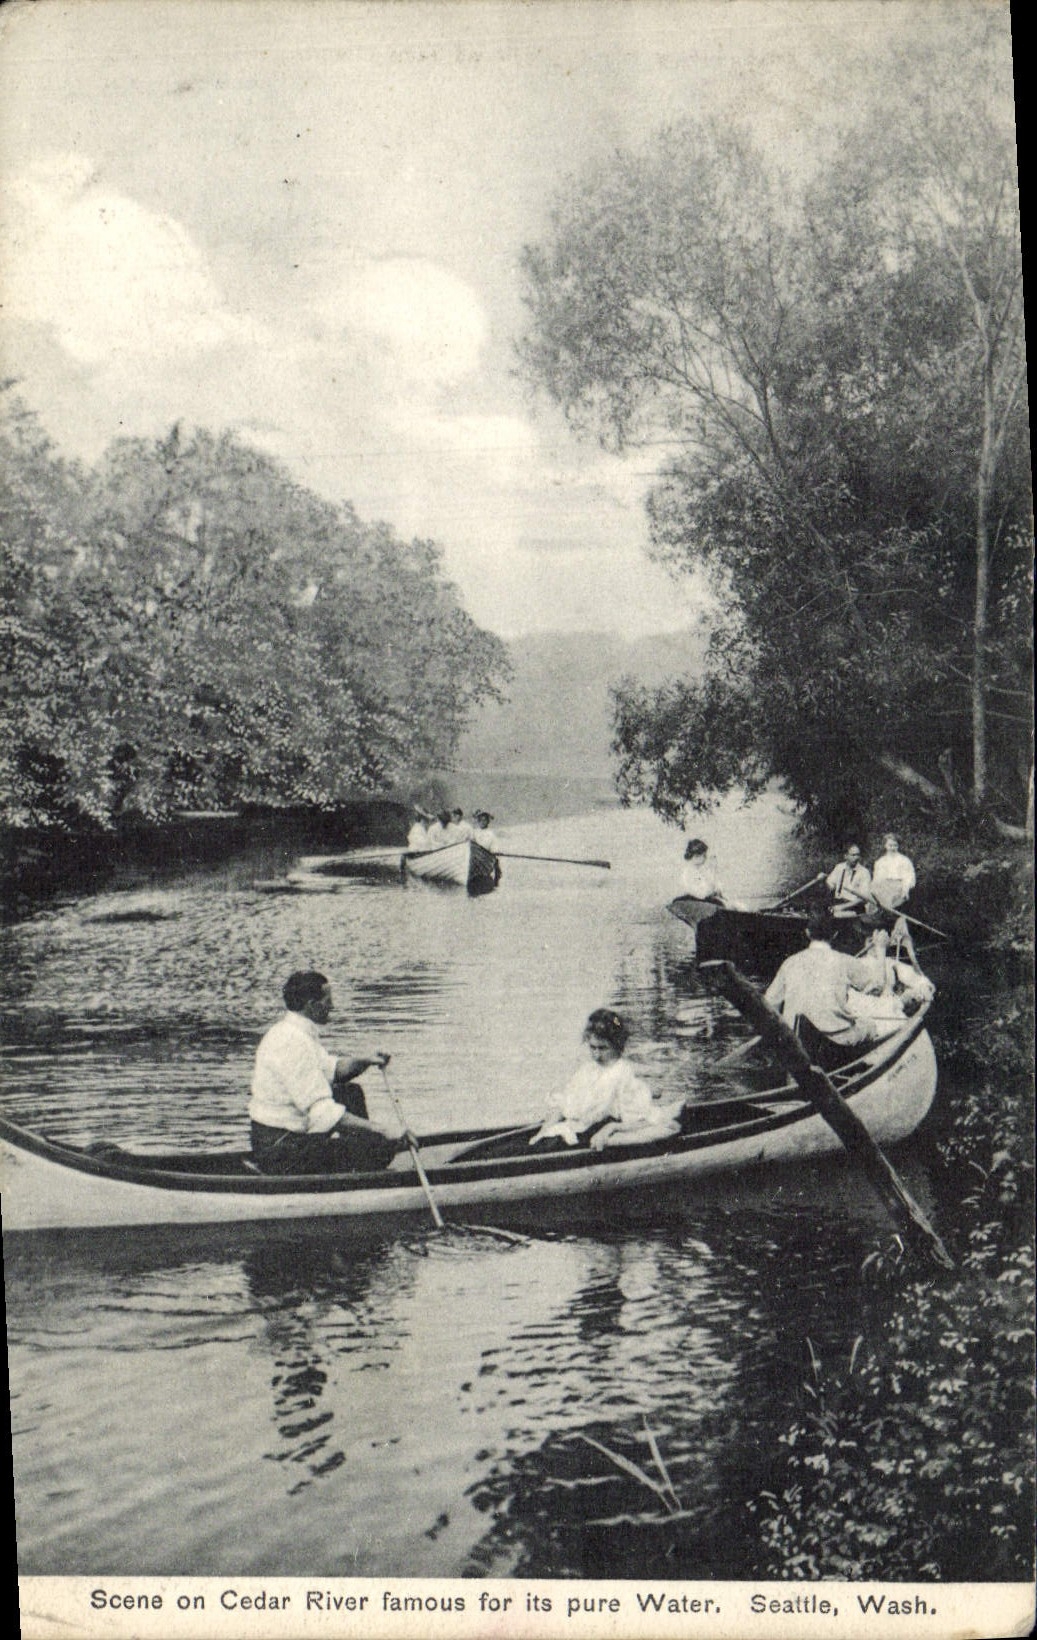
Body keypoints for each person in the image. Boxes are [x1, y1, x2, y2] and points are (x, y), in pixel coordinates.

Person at [249, 971, 401, 1174]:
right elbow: (322, 1111)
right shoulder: (292, 1042)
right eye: (328, 1001)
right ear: (312, 1005)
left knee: (349, 1092)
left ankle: (362, 1158)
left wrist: (365, 1061)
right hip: (281, 1149)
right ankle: (362, 1169)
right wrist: (383, 1130)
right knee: (381, 1147)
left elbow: (332, 1069)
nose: (332, 1007)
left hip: (281, 1139)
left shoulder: (295, 1031)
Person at [531, 1009, 682, 1150]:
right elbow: (563, 1107)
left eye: (602, 1048)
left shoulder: (622, 1072)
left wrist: (609, 1129)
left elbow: (635, 1119)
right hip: (574, 1129)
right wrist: (542, 1132)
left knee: (667, 1126)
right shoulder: (587, 1070)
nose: (596, 1055)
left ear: (617, 1045)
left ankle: (668, 1113)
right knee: (534, 1146)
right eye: (592, 1048)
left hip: (597, 1134)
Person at [764, 915, 880, 1070]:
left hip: (795, 1038)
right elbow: (877, 987)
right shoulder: (844, 960)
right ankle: (854, 1067)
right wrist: (881, 949)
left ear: (807, 933)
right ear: (835, 935)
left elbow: (769, 1003)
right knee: (869, 1025)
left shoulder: (790, 962)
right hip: (834, 1040)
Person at [845, 928, 935, 1029]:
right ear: (865, 943)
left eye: (880, 939)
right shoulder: (858, 963)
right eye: (870, 940)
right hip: (871, 1014)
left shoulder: (889, 962)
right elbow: (875, 988)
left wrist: (923, 986)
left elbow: (916, 978)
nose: (874, 943)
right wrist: (880, 950)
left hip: (893, 1011)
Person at [870, 832, 916, 913]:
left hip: (899, 888)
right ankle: (883, 911)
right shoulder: (880, 861)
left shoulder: (904, 860)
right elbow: (877, 879)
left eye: (895, 845)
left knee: (899, 898)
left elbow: (909, 878)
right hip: (884, 889)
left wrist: (905, 889)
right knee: (874, 893)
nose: (892, 848)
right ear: (885, 846)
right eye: (890, 845)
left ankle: (890, 910)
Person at [825, 842, 872, 919]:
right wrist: (825, 882)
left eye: (858, 855)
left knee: (834, 916)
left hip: (854, 906)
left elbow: (863, 898)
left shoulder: (864, 872)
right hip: (838, 902)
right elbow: (830, 884)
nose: (856, 858)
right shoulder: (839, 867)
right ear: (845, 856)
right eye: (853, 855)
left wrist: (842, 907)